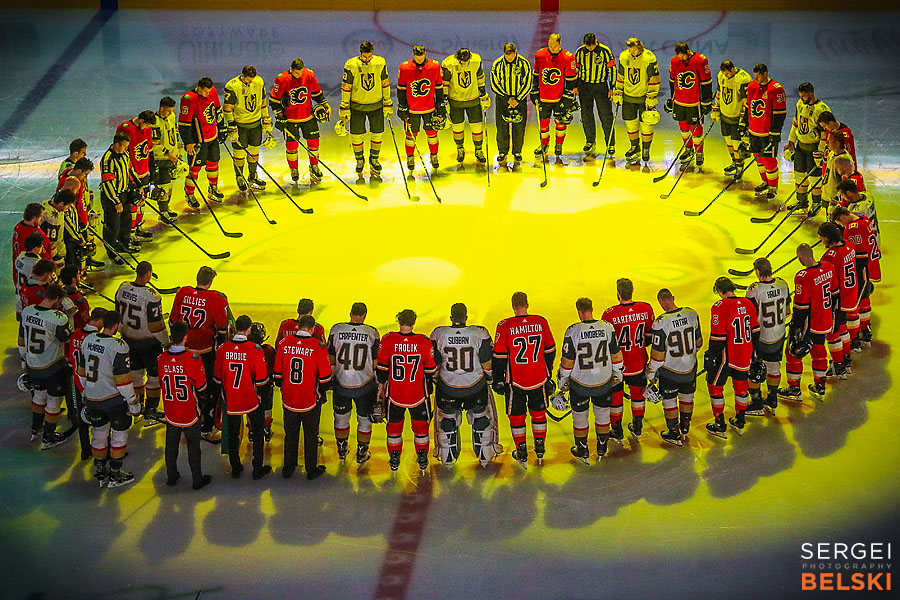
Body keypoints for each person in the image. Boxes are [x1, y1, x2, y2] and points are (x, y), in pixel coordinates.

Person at [492, 292, 556, 468]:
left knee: (517, 416)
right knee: (539, 414)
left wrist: (498, 378)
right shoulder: (540, 321)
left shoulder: (505, 325)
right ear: (527, 304)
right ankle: (540, 447)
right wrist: (548, 372)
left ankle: (521, 450)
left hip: (516, 381)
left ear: (513, 306)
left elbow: (499, 356)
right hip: (539, 378)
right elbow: (550, 349)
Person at [430, 302, 498, 467]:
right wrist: (489, 379)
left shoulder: (439, 334)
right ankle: (484, 455)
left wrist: (435, 379)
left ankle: (447, 456)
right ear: (466, 317)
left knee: (446, 418)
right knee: (481, 416)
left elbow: (435, 364)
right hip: (474, 386)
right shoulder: (479, 333)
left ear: (451, 317)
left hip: (448, 387)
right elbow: (487, 363)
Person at [78, 310, 140, 488]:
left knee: (98, 434)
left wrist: (88, 391)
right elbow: (123, 382)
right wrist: (133, 402)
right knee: (119, 435)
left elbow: (81, 373)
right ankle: (115, 473)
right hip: (112, 400)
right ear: (117, 325)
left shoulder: (88, 340)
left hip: (92, 398)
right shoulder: (119, 346)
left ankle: (99, 471)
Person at [169, 265, 232, 441]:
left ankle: (184, 421)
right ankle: (206, 426)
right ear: (210, 282)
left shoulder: (183, 293)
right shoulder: (217, 298)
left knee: (186, 387)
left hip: (183, 349)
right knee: (208, 390)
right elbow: (222, 330)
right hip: (204, 353)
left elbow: (173, 321)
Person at [558, 297, 623, 464]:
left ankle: (583, 449)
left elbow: (567, 362)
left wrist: (562, 380)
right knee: (602, 414)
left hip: (580, 383)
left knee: (580, 417)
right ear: (592, 308)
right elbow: (616, 355)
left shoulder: (573, 330)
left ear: (579, 311)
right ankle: (602, 447)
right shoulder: (607, 328)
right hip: (603, 381)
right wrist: (618, 373)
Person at [377, 309, 438, 472]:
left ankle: (395, 456)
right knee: (421, 428)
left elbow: (382, 369)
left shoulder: (388, 339)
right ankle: (422, 456)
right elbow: (431, 370)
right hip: (417, 394)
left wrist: (380, 388)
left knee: (394, 428)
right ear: (414, 322)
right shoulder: (423, 341)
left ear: (399, 321)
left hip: (395, 394)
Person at [274, 314, 333, 480]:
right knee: (311, 435)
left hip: (289, 398)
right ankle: (311, 468)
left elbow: (277, 375)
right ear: (313, 329)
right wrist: (319, 392)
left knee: (290, 434)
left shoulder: (284, 344)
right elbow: (326, 378)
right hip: (310, 399)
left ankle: (288, 466)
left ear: (298, 326)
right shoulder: (318, 346)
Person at [214, 315, 271, 480]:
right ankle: (257, 467)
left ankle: (236, 467)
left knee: (232, 434)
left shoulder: (223, 348)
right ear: (248, 330)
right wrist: (260, 396)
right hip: (251, 399)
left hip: (231, 399)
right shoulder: (255, 349)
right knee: (258, 432)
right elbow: (262, 380)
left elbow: (217, 378)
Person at [779, 244, 837, 401]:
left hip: (809, 321)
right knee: (819, 351)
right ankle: (820, 385)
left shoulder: (803, 276)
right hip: (825, 319)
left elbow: (801, 306)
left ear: (802, 257)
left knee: (792, 353)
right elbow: (835, 292)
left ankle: (794, 388)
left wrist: (795, 327)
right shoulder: (828, 267)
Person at [645, 288, 702, 446]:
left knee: (669, 401)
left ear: (661, 302)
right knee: (687, 397)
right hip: (690, 367)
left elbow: (658, 356)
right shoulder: (691, 314)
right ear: (673, 298)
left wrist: (650, 372)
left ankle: (673, 432)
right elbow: (698, 343)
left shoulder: (661, 322)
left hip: (670, 371)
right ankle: (685, 428)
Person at [159, 320, 212, 490]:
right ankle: (197, 480)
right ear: (186, 337)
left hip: (171, 409)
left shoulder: (162, 359)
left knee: (170, 446)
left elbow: (161, 382)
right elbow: (202, 386)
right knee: (193, 448)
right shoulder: (193, 359)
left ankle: (171, 476)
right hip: (189, 410)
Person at [705, 277, 760, 438]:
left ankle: (719, 423)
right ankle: (740, 420)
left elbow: (717, 338)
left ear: (719, 291)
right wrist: (756, 354)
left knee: (714, 387)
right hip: (745, 353)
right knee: (741, 387)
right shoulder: (748, 303)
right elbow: (755, 331)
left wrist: (710, 356)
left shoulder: (719, 306)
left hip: (726, 355)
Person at [20, 283, 72, 449]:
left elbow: (21, 338)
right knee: (54, 401)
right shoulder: (57, 318)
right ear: (57, 299)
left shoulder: (27, 311)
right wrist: (70, 315)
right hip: (52, 366)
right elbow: (67, 338)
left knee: (38, 396)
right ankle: (49, 436)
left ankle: (36, 428)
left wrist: (24, 360)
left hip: (32, 364)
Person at [327, 302, 380, 465]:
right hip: (365, 384)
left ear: (350, 313)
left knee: (341, 418)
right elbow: (376, 363)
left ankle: (342, 450)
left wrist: (333, 378)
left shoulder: (336, 329)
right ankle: (362, 452)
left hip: (341, 383)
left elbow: (331, 358)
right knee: (364, 420)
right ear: (364, 315)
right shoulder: (372, 332)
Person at [601, 278, 654, 440]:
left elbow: (606, 345)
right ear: (632, 291)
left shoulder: (609, 314)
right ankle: (637, 426)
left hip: (618, 366)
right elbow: (651, 337)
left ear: (618, 293)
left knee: (616, 397)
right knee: (638, 394)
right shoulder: (646, 308)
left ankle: (617, 429)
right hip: (638, 361)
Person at [270, 58, 331, 184]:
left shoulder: (309, 75)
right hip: (291, 119)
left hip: (307, 116)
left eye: (300, 72)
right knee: (291, 146)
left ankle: (314, 166)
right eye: (296, 73)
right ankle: (294, 169)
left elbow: (316, 92)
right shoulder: (281, 78)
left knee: (314, 143)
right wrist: (280, 114)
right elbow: (274, 100)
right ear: (291, 69)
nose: (298, 75)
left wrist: (325, 104)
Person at [743, 258, 791, 415]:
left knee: (753, 369)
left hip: (761, 338)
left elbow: (749, 318)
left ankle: (756, 402)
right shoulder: (783, 284)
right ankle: (772, 398)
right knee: (774, 367)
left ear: (757, 271)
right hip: (778, 334)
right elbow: (788, 311)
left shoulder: (754, 289)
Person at [340, 41, 392, 178]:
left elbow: (385, 83)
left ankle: (374, 159)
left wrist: (387, 102)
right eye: (365, 57)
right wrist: (344, 106)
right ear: (360, 53)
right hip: (357, 106)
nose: (367, 59)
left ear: (372, 53)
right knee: (356, 135)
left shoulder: (380, 63)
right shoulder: (351, 65)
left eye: (369, 56)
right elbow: (346, 86)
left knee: (378, 133)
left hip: (376, 105)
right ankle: (359, 160)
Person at [832, 206, 876, 353]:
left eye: (840, 223)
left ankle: (854, 339)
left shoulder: (851, 229)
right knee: (864, 300)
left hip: (860, 270)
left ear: (843, 217)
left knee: (852, 308)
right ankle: (866, 329)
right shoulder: (865, 219)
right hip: (870, 265)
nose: (841, 226)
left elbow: (851, 253)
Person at [818, 221, 858, 378]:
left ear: (827, 238)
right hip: (850, 294)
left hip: (838, 298)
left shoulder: (830, 256)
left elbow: (826, 279)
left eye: (822, 238)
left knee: (833, 332)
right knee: (842, 328)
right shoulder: (849, 245)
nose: (821, 241)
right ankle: (846, 360)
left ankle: (838, 365)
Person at [66, 307, 106, 460]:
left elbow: (70, 361)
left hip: (77, 382)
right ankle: (103, 451)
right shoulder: (97, 339)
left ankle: (85, 449)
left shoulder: (76, 334)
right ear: (100, 321)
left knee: (81, 416)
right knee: (101, 419)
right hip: (95, 384)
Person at [613, 37, 660, 166]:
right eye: (629, 50)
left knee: (646, 125)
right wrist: (618, 92)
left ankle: (646, 148)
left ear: (639, 47)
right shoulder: (624, 57)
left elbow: (654, 78)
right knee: (630, 124)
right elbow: (621, 76)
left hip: (644, 98)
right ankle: (635, 147)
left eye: (633, 50)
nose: (631, 52)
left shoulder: (649, 58)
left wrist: (652, 96)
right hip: (628, 97)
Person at [179, 76, 225, 208]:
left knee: (213, 163)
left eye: (208, 92)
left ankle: (213, 188)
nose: (207, 94)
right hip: (198, 141)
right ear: (198, 88)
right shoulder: (189, 99)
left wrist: (222, 127)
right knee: (195, 169)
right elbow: (184, 123)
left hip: (212, 137)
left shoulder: (213, 91)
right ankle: (189, 194)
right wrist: (188, 142)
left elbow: (217, 110)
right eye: (205, 92)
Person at [742, 64, 786, 199]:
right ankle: (765, 182)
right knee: (759, 159)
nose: (756, 79)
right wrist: (744, 124)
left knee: (769, 160)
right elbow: (748, 106)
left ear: (765, 73)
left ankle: (773, 186)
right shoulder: (751, 86)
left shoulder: (776, 89)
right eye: (754, 76)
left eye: (758, 76)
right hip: (754, 131)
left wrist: (775, 132)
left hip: (767, 133)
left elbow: (780, 113)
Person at [397, 45, 444, 172]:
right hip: (412, 109)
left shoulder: (434, 66)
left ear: (425, 53)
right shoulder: (405, 67)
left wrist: (440, 105)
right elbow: (401, 89)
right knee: (411, 135)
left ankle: (434, 156)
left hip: (429, 108)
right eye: (417, 55)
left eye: (421, 55)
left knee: (432, 133)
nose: (419, 58)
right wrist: (402, 105)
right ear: (413, 54)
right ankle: (410, 157)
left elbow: (439, 87)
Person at [531, 33, 578, 161]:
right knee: (543, 124)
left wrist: (568, 96)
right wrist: (534, 89)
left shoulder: (568, 57)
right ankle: (544, 145)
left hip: (559, 98)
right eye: (550, 46)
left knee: (561, 123)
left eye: (555, 46)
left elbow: (572, 79)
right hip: (544, 98)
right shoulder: (540, 55)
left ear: (560, 44)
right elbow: (536, 73)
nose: (552, 48)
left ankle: (559, 145)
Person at [666, 41, 712, 168]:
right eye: (679, 56)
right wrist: (672, 100)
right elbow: (672, 81)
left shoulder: (700, 60)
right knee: (683, 127)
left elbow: (706, 82)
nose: (681, 58)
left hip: (694, 102)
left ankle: (699, 153)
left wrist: (707, 101)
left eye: (682, 56)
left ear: (687, 52)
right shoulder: (675, 61)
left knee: (695, 129)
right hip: (680, 101)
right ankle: (688, 149)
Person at [224, 64, 269, 192]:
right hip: (240, 126)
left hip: (255, 124)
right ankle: (239, 176)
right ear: (242, 76)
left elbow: (263, 102)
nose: (251, 81)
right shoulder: (232, 86)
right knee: (239, 153)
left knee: (254, 151)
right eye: (248, 79)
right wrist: (231, 125)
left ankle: (253, 175)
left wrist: (266, 119)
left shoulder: (259, 82)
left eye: (252, 79)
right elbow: (227, 108)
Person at [442, 47, 490, 166]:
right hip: (455, 101)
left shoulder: (476, 60)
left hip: (473, 100)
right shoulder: (449, 63)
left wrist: (483, 94)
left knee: (477, 127)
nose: (463, 63)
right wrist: (444, 99)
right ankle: (460, 149)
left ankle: (479, 150)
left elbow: (480, 78)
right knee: (457, 127)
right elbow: (445, 82)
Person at [786, 82, 829, 210]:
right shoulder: (800, 104)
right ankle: (802, 202)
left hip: (813, 148)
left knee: (815, 178)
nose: (801, 99)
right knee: (799, 175)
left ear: (811, 94)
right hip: (801, 146)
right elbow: (796, 124)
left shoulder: (821, 109)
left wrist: (820, 152)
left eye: (803, 96)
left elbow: (825, 133)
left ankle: (816, 204)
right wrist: (791, 141)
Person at [116, 110, 156, 243]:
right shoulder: (126, 129)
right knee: (132, 204)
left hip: (143, 173)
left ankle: (138, 227)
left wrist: (152, 170)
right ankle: (129, 232)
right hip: (131, 175)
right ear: (141, 121)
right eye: (146, 125)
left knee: (141, 202)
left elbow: (149, 151)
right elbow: (120, 152)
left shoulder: (148, 129)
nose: (147, 128)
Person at [99, 132, 140, 260]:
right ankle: (111, 251)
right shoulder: (107, 159)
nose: (126, 149)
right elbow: (107, 182)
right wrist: (116, 201)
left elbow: (130, 170)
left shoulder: (125, 154)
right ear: (116, 145)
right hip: (111, 197)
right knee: (113, 226)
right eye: (124, 146)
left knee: (126, 221)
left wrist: (138, 184)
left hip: (124, 193)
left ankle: (123, 244)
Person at [575, 32, 616, 159]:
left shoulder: (605, 51)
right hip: (584, 86)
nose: (589, 48)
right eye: (587, 46)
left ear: (596, 42)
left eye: (591, 46)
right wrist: (575, 86)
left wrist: (612, 87)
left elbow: (612, 69)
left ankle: (610, 143)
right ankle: (590, 141)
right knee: (586, 114)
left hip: (600, 86)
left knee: (606, 115)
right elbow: (576, 69)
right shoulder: (580, 52)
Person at [490, 42, 531, 165]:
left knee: (519, 127)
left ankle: (517, 151)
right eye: (507, 55)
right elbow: (494, 83)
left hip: (519, 100)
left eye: (511, 55)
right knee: (502, 127)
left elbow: (527, 82)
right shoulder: (497, 64)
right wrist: (507, 98)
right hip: (503, 100)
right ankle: (502, 151)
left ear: (515, 52)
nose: (509, 58)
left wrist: (517, 99)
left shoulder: (524, 64)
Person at [711, 60, 751, 178]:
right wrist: (716, 110)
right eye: (724, 74)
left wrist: (744, 120)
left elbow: (746, 102)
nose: (726, 76)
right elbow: (719, 93)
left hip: (736, 117)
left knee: (736, 143)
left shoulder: (744, 79)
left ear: (733, 69)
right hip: (725, 115)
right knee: (728, 141)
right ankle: (734, 162)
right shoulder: (721, 75)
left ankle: (740, 167)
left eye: (727, 73)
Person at [150, 96, 181, 221]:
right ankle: (162, 212)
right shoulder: (155, 122)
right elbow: (155, 144)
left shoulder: (172, 117)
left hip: (172, 156)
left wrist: (178, 149)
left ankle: (166, 207)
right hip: (161, 159)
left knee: (170, 184)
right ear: (161, 108)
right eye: (168, 110)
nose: (170, 113)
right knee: (163, 185)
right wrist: (169, 154)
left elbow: (175, 132)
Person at [247, 321, 275, 443]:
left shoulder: (246, 349)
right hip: (266, 384)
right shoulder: (268, 349)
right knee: (267, 407)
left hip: (249, 384)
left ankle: (252, 430)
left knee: (250, 407)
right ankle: (266, 429)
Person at [14, 233, 46, 325]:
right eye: (41, 245)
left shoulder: (20, 257)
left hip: (20, 296)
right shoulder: (37, 264)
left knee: (23, 325)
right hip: (32, 297)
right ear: (36, 248)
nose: (42, 247)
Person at [41, 189, 76, 264]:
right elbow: (51, 242)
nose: (68, 208)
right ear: (61, 204)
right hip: (51, 254)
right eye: (68, 206)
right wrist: (56, 257)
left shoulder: (47, 203)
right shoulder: (52, 219)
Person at [821, 134, 854, 205]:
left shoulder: (843, 160)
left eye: (829, 141)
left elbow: (846, 183)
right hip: (827, 197)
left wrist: (839, 201)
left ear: (837, 144)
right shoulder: (832, 153)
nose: (827, 143)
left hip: (835, 202)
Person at [60, 264, 90, 331]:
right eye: (78, 274)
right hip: (74, 334)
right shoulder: (80, 300)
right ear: (74, 279)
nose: (80, 276)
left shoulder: (57, 296)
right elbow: (84, 323)